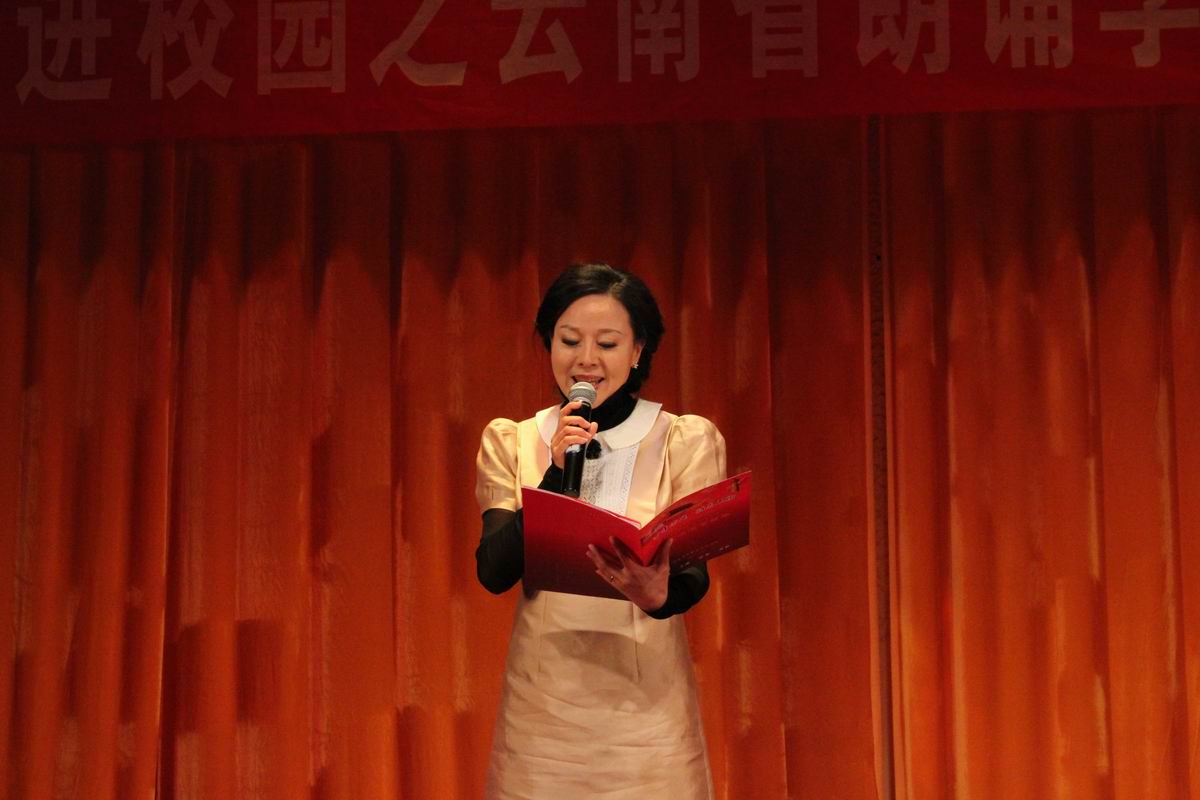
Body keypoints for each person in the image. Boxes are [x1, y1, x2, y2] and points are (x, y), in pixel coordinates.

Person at [474, 262, 725, 798]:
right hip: (541, 715)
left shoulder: (681, 439)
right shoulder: (513, 440)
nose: (586, 359)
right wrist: (553, 474)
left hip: (646, 719)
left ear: (637, 352)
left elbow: (693, 575)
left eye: (607, 344)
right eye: (569, 340)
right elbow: (494, 572)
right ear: (549, 343)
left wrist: (659, 596)